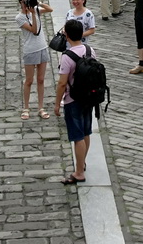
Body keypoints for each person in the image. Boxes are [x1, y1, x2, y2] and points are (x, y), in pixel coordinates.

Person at [54, 18, 97, 185]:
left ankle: (79, 172)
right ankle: (82, 162)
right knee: (86, 132)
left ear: (67, 35)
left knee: (77, 136)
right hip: (88, 97)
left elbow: (62, 83)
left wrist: (57, 103)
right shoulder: (89, 50)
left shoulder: (67, 57)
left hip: (73, 100)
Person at [16, 0, 52, 120]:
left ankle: (40, 107)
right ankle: (26, 108)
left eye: (28, 0)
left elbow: (50, 9)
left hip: (42, 47)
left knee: (41, 79)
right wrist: (32, 14)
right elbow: (34, 30)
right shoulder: (19, 18)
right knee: (29, 80)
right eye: (23, 1)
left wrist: (38, 3)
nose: (26, 3)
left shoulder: (36, 10)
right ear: (20, 2)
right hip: (30, 50)